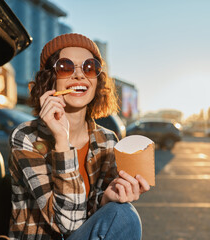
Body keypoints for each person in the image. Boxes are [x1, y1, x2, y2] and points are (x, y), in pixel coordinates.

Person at [8, 33, 150, 240]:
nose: (79, 75)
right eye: (65, 67)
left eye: (89, 67)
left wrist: (105, 201)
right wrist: (62, 141)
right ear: (50, 79)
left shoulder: (108, 140)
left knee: (123, 213)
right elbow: (66, 224)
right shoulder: (27, 137)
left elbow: (89, 225)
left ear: (97, 80)